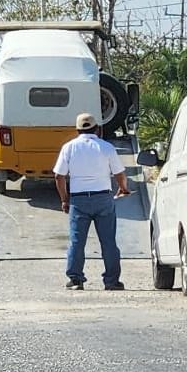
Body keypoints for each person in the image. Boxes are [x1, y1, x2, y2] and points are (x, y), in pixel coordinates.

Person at [53, 112, 131, 291]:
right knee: (108, 241)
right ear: (98, 129)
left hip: (79, 200)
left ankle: (76, 280)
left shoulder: (69, 147)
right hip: (103, 198)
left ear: (77, 130)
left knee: (77, 241)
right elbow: (119, 173)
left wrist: (65, 200)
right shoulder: (106, 147)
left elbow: (59, 176)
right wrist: (123, 188)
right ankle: (111, 281)